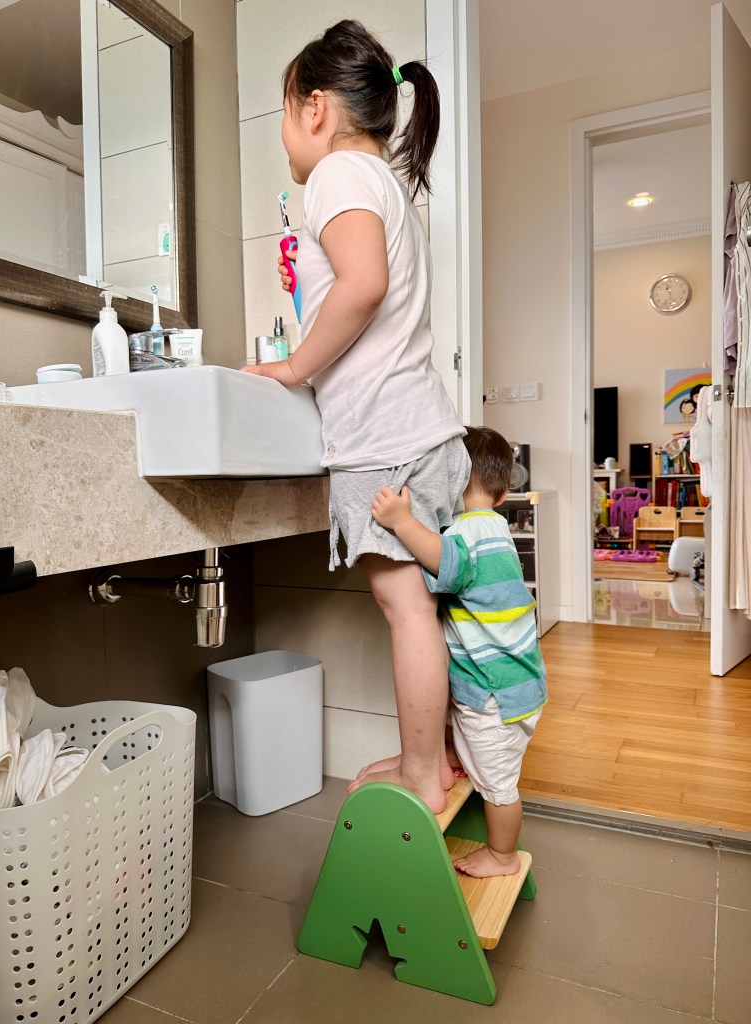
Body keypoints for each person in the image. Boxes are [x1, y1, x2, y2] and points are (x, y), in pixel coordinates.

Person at [241, 20, 468, 814]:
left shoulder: (336, 173)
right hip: (425, 431)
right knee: (428, 611)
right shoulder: (385, 182)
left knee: (404, 611)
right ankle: (437, 756)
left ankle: (420, 774)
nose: (284, 133)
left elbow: (362, 284)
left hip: (387, 440)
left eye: (283, 112)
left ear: (314, 108)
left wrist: (295, 367)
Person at [371, 427, 547, 877]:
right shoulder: (495, 527)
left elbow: (446, 561)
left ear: (447, 479)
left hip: (496, 697)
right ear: (503, 492)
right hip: (513, 682)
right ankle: (455, 758)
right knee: (469, 740)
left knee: (499, 787)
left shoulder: (469, 534)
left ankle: (503, 856)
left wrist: (402, 521)